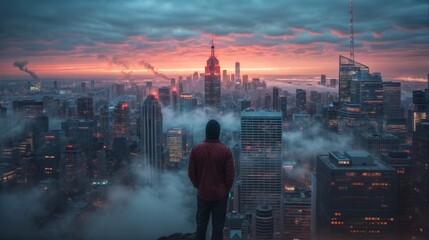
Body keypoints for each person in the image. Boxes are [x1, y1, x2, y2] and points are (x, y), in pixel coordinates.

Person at [188, 119, 235, 240]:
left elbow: (191, 173)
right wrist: (224, 190)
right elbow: (230, 176)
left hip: (203, 194)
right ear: (218, 133)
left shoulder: (196, 149)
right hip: (220, 195)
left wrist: (200, 186)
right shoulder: (225, 151)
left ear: (206, 132)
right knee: (218, 227)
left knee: (201, 225)